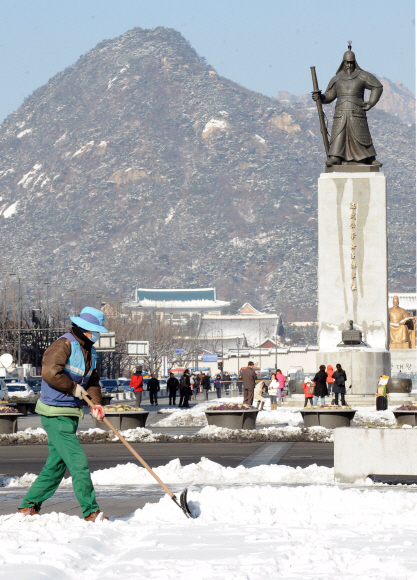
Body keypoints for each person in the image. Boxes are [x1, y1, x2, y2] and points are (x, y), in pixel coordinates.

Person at [17, 307, 109, 521]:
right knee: (78, 463)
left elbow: (92, 381)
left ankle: (28, 506)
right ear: (84, 329)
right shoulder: (64, 344)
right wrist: (72, 387)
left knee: (56, 466)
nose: (96, 336)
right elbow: (50, 372)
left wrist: (96, 403)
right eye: (94, 331)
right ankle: (91, 511)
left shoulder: (90, 351)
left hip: (70, 413)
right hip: (55, 413)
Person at [311, 44, 383, 168]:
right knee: (339, 135)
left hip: (357, 111)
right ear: (343, 63)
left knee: (361, 135)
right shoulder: (337, 79)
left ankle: (368, 158)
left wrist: (371, 103)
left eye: (351, 62)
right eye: (347, 63)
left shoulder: (362, 75)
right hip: (341, 111)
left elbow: (377, 86)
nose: (349, 65)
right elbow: (330, 96)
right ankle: (335, 157)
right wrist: (320, 97)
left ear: (354, 62)